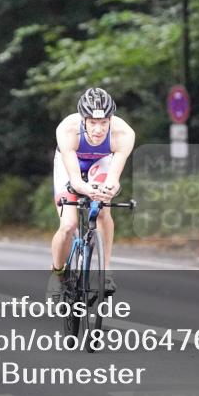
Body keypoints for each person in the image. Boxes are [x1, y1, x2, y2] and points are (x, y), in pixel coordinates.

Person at [46, 87, 135, 302]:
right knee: (68, 225)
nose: (98, 129)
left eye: (104, 122)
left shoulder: (124, 134)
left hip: (100, 161)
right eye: (93, 122)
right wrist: (84, 189)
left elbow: (113, 178)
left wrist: (108, 189)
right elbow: (75, 181)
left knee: (103, 210)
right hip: (71, 164)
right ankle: (57, 273)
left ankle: (105, 272)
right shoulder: (67, 129)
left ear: (110, 119)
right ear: (83, 120)